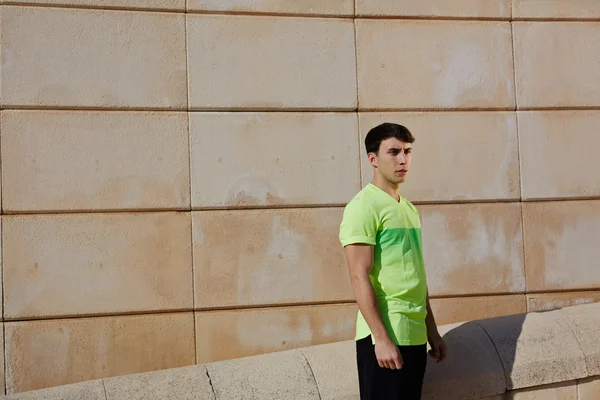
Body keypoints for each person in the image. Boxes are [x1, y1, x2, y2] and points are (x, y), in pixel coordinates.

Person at [339, 122, 447, 399]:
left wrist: (431, 330)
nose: (403, 159)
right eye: (394, 152)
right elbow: (358, 276)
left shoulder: (408, 209)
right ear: (373, 159)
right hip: (386, 336)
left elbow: (416, 274)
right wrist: (381, 339)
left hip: (413, 334)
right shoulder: (363, 206)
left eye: (407, 151)